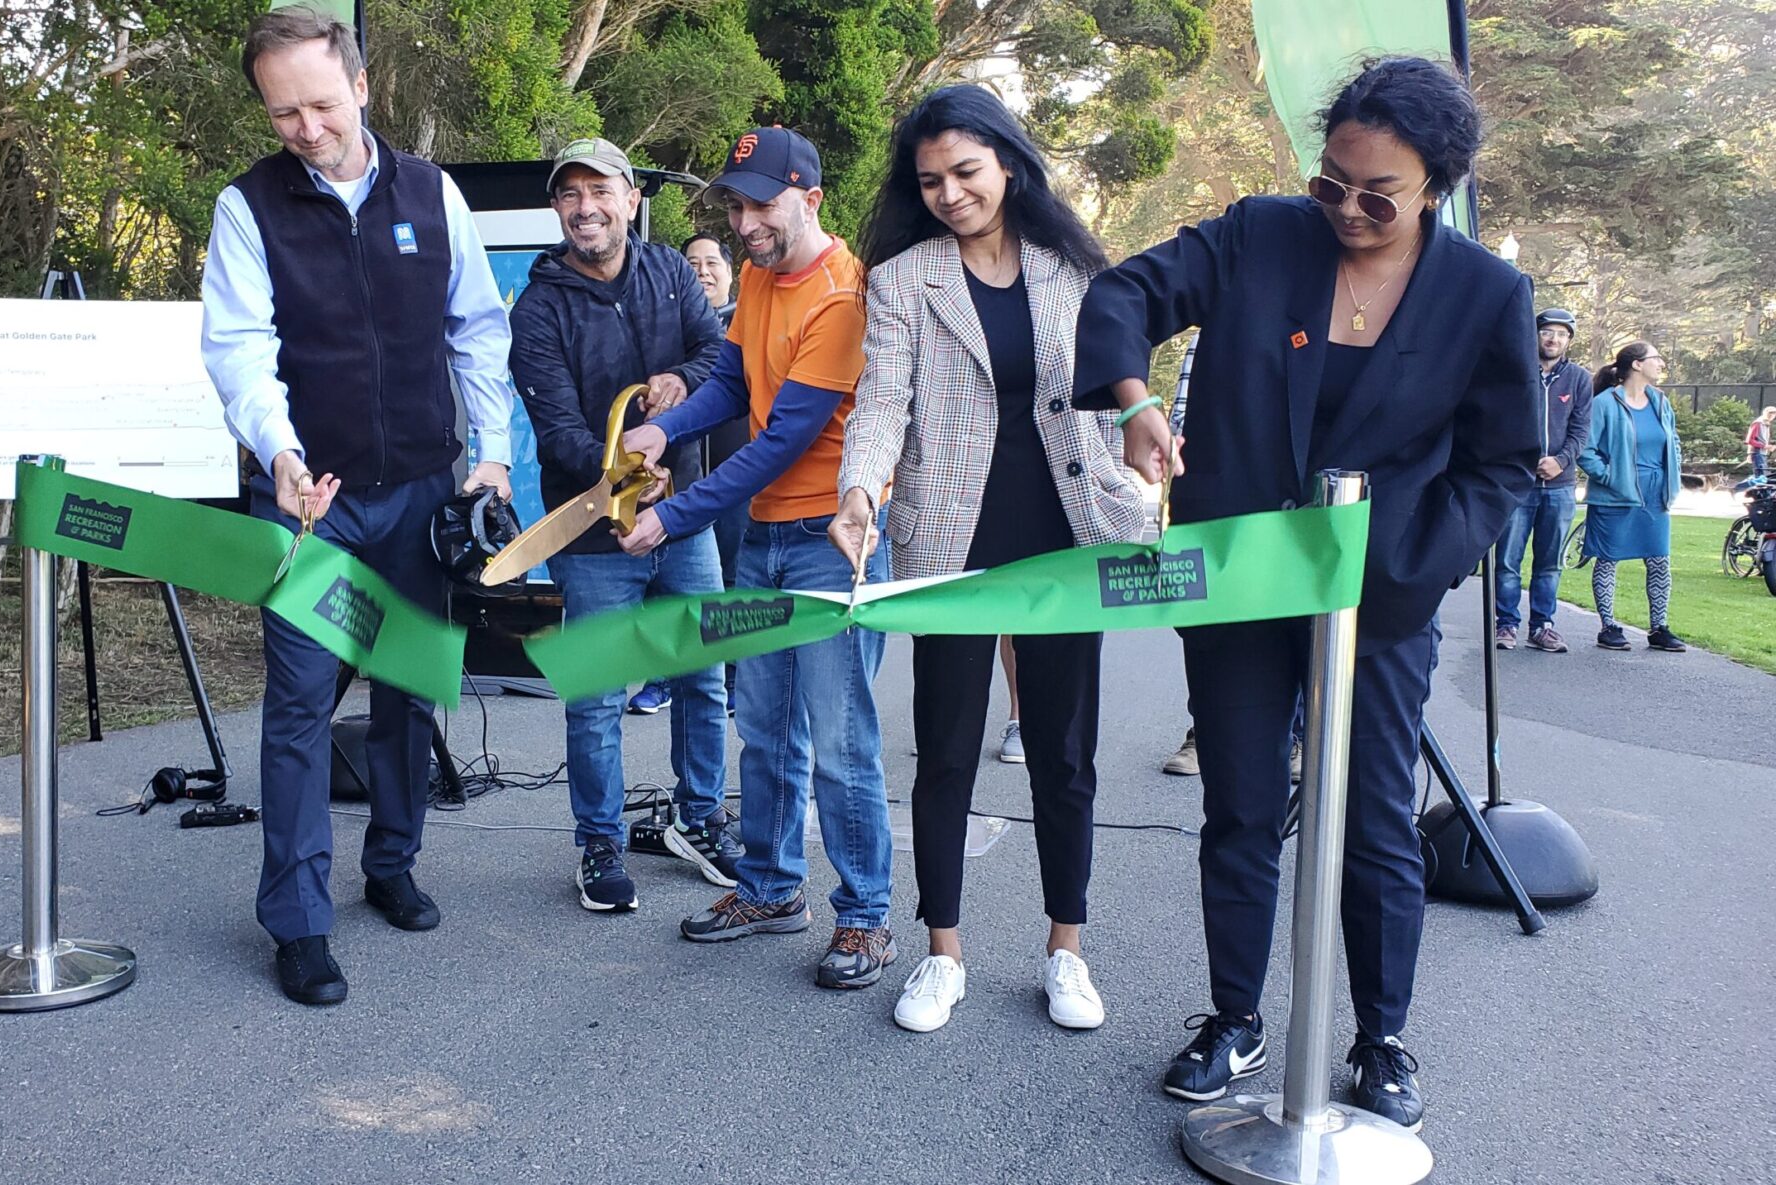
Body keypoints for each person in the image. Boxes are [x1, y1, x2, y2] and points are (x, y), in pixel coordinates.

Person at [1072, 57, 1537, 1130]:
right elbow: (1124, 293)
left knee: (1372, 820)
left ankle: (1379, 1038)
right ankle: (1231, 1016)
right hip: (1239, 579)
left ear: (1437, 189)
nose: (1348, 210)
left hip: (1377, 601)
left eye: (1379, 195)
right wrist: (1134, 401)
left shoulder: (1484, 294)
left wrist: (1417, 561)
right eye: (1332, 181)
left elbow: (1503, 460)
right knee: (1238, 807)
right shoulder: (1257, 234)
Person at [199, 7, 515, 1006]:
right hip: (309, 506)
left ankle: (390, 863)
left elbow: (476, 326)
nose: (304, 127)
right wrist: (279, 454)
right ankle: (296, 918)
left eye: (321, 104)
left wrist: (492, 454)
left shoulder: (431, 191)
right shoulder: (246, 209)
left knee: (405, 688)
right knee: (297, 711)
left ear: (363, 87)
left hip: (422, 487)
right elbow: (238, 349)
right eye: (282, 111)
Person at [831, 83, 1141, 1033]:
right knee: (946, 751)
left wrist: (1141, 417)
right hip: (950, 539)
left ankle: (1066, 950)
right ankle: (943, 952)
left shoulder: (1072, 265)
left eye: (966, 171)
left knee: (1064, 752)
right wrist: (858, 490)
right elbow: (883, 402)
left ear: (1008, 162)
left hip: (1063, 532)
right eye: (930, 181)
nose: (950, 193)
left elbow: (1121, 368)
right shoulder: (902, 279)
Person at [618, 126, 898, 990]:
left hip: (829, 544)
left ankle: (865, 916)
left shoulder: (843, 296)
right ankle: (772, 888)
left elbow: (784, 439)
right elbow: (735, 386)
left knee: (840, 743)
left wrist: (673, 518)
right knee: (765, 729)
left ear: (811, 197)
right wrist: (665, 426)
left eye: (760, 204)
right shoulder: (756, 276)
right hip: (764, 542)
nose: (743, 222)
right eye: (735, 205)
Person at [504, 138, 737, 912]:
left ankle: (698, 819)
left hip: (684, 519)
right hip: (594, 532)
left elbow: (721, 358)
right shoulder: (537, 307)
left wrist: (684, 384)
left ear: (631, 199)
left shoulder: (672, 272)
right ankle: (598, 843)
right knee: (598, 694)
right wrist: (631, 480)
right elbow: (560, 432)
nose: (584, 207)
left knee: (704, 678)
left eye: (599, 190)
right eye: (569, 194)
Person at [627, 231, 747, 717]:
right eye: (691, 262)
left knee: (733, 577)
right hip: (682, 470)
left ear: (730, 270)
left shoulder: (745, 321)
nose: (702, 270)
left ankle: (734, 673)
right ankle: (662, 676)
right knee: (671, 584)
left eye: (711, 261)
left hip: (738, 466)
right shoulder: (674, 326)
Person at [1493, 308, 1593, 653]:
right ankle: (1505, 624)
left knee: (1549, 562)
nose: (1554, 339)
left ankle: (1543, 626)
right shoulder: (1516, 372)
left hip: (1561, 486)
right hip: (1518, 485)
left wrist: (1561, 461)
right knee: (1507, 560)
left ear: (1569, 341)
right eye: (1548, 332)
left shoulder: (1579, 379)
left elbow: (1581, 430)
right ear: (1535, 335)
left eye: (1562, 334)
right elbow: (1500, 422)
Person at [1579, 342, 1685, 653]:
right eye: (1656, 358)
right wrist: (1611, 477)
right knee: (1608, 559)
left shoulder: (1660, 402)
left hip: (1655, 495)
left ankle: (1659, 628)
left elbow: (1673, 441)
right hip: (1615, 496)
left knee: (1659, 561)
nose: (1661, 363)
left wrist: (1672, 475)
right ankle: (1608, 626)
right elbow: (1585, 451)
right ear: (1637, 365)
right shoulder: (1604, 404)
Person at [1747, 406, 1774, 480]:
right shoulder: (1758, 423)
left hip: (1762, 453)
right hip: (1757, 453)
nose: (1773, 416)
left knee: (1763, 476)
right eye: (1771, 413)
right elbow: (1750, 440)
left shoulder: (1765, 424)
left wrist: (1769, 446)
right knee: (1761, 477)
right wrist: (1764, 446)